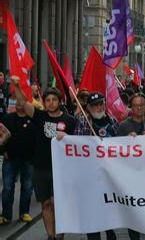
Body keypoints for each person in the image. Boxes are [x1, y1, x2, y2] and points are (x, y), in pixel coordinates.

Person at [11, 77, 76, 240]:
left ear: (59, 101)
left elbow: (78, 144)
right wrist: (17, 85)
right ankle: (51, 235)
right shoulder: (39, 116)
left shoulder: (69, 120)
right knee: (46, 203)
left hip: (61, 169)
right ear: (44, 102)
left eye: (54, 100)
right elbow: (23, 102)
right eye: (48, 100)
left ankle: (60, 234)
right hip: (41, 167)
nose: (51, 103)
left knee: (57, 204)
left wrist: (68, 136)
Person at [116, 93, 145, 240]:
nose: (139, 108)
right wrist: (126, 142)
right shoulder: (123, 126)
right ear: (131, 107)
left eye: (141, 105)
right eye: (135, 105)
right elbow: (115, 150)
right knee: (133, 211)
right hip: (131, 176)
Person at [73, 92, 118, 240]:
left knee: (108, 207)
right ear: (89, 108)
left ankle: (110, 232)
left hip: (110, 174)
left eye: (100, 104)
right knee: (92, 209)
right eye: (95, 105)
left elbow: (121, 144)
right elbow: (77, 146)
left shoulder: (112, 121)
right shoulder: (83, 121)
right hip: (90, 175)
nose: (99, 107)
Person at [0, 101, 35, 224]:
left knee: (27, 188)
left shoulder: (34, 120)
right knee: (7, 188)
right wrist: (3, 151)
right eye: (18, 102)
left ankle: (24, 213)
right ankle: (5, 215)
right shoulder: (7, 118)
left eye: (23, 102)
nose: (20, 104)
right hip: (10, 159)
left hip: (29, 160)